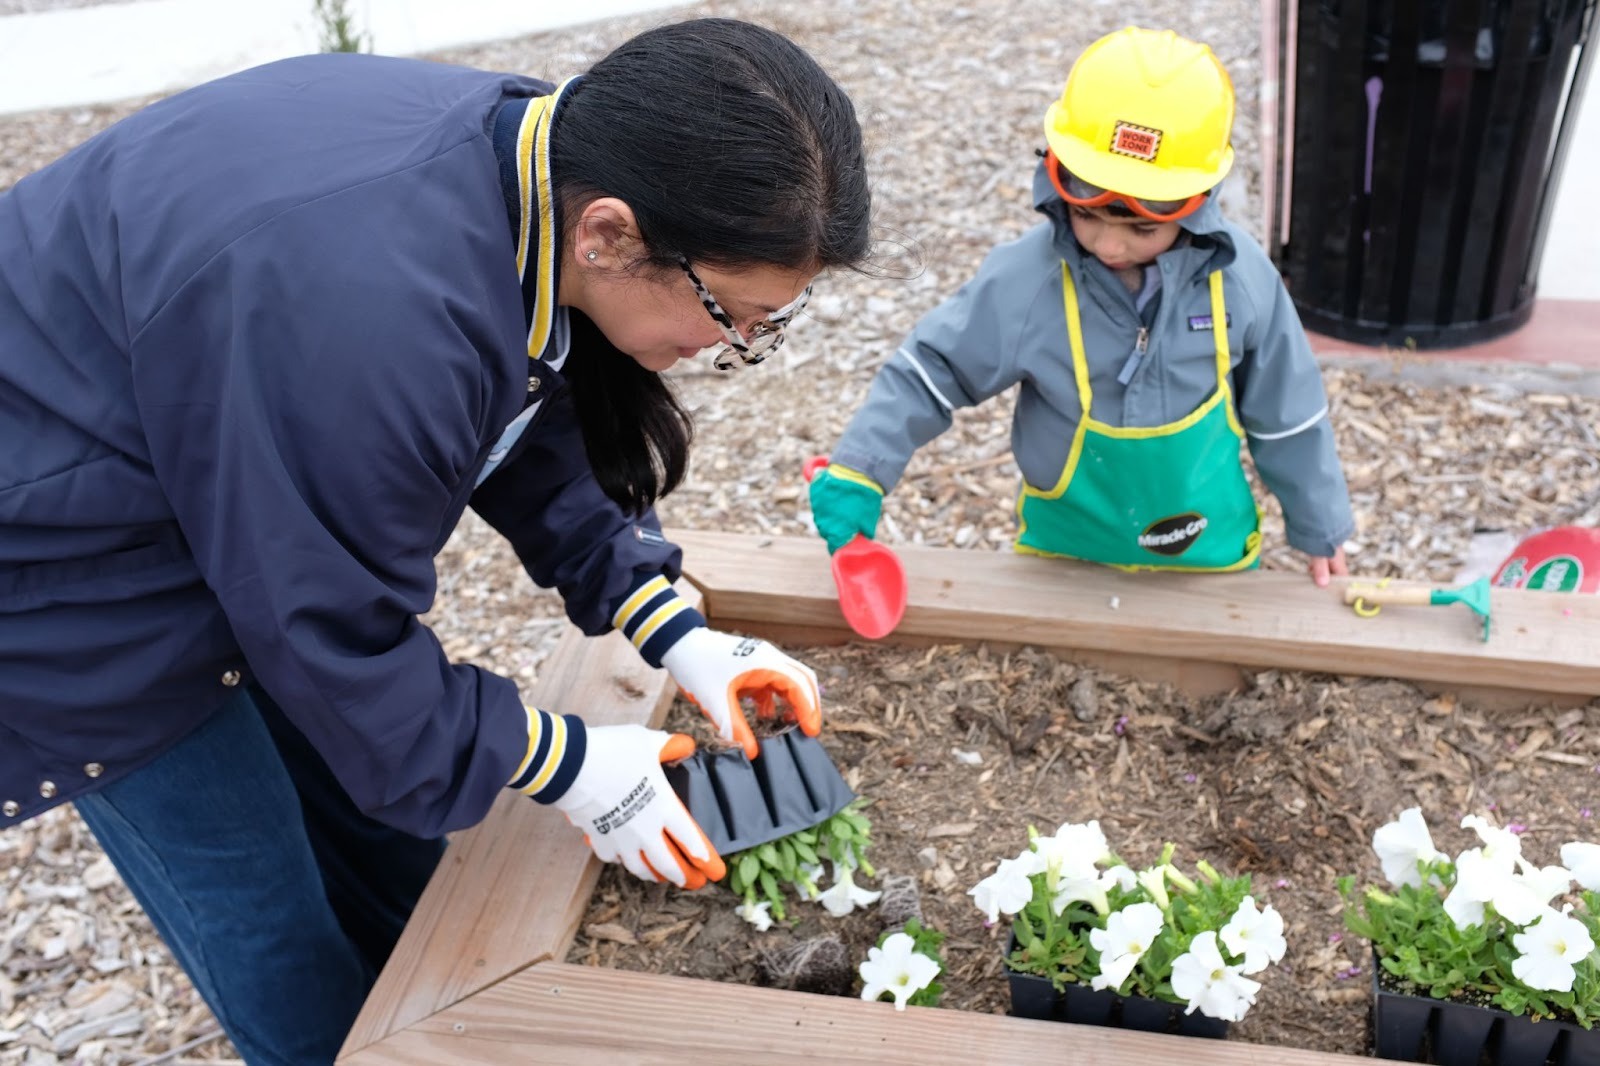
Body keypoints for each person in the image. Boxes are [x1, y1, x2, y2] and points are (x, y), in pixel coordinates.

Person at [0, 18, 869, 1064]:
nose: (727, 346)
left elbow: (535, 407)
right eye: (733, 315)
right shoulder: (366, 317)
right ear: (610, 234)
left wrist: (673, 626)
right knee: (266, 908)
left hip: (200, 460)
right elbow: (329, 632)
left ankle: (425, 1018)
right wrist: (572, 761)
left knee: (385, 835)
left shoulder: (546, 165)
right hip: (60, 556)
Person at [809, 27, 1353, 584]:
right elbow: (930, 372)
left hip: (1207, 558)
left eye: (1142, 227)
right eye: (1088, 215)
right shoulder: (1027, 280)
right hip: (1065, 561)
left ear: (1198, 203)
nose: (1111, 245)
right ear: (1057, 175)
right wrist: (861, 470)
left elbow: (1290, 415)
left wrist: (1320, 527)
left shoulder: (1242, 282)